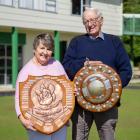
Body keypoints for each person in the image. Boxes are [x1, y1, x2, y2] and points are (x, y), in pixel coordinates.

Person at [62, 8, 132, 140]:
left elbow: (126, 71)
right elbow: (66, 67)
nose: (89, 24)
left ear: (101, 21)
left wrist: (112, 89)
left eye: (93, 20)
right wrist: (84, 63)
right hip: (81, 106)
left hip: (107, 106)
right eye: (86, 21)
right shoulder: (76, 42)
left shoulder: (114, 42)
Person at [15, 33, 69, 140]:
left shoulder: (56, 64)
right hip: (36, 123)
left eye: (49, 49)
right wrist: (22, 119)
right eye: (42, 48)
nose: (45, 52)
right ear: (35, 49)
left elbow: (67, 88)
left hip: (59, 122)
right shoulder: (26, 71)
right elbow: (18, 98)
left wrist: (67, 114)